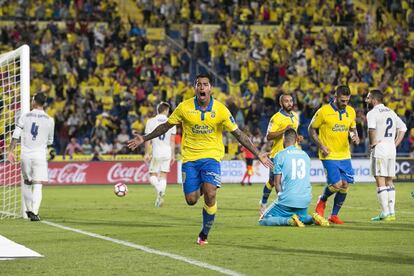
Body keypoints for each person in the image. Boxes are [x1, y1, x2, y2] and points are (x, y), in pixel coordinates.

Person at [128, 73, 273, 245]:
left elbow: (238, 134)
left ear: (210, 88)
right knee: (191, 200)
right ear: (195, 88)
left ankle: (204, 234)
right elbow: (165, 127)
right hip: (190, 159)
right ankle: (202, 185)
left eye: (205, 84)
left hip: (211, 157)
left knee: (210, 194)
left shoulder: (220, 110)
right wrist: (144, 138)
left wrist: (258, 154)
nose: (202, 87)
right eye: (199, 84)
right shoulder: (184, 107)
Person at [308, 85, 360, 224]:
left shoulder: (351, 111)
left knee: (345, 185)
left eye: (347, 100)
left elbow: (352, 128)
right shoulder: (323, 111)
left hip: (345, 154)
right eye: (342, 100)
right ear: (335, 97)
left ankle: (334, 215)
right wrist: (321, 146)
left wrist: (355, 136)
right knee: (337, 184)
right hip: (328, 154)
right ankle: (322, 200)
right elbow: (311, 129)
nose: (345, 103)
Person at [259, 128, 330, 227]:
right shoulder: (305, 155)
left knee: (263, 220)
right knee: (301, 216)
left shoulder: (279, 155)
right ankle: (313, 218)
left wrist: (281, 196)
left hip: (288, 198)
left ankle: (289, 221)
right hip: (305, 199)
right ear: (296, 139)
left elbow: (276, 183)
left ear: (284, 139)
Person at [7, 93, 55, 221]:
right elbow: (50, 141)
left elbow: (16, 134)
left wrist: (10, 151)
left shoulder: (25, 116)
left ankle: (28, 210)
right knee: (38, 183)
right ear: (43, 103)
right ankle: (34, 211)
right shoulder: (50, 120)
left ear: (34, 102)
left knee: (27, 182)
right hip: (39, 155)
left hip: (26, 155)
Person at [365, 90, 407, 221]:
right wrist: (395, 143)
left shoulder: (372, 113)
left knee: (380, 179)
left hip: (380, 149)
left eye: (368, 98)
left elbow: (371, 129)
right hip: (391, 149)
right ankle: (392, 212)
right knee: (389, 180)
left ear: (374, 100)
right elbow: (403, 128)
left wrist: (372, 144)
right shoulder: (391, 111)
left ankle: (386, 213)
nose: (366, 100)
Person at [259, 94, 300, 215]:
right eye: (286, 101)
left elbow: (292, 135)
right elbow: (269, 136)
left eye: (291, 101)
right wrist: (284, 130)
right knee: (272, 182)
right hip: (277, 155)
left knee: (289, 181)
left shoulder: (296, 116)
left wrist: (297, 138)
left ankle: (287, 206)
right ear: (281, 103)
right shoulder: (276, 118)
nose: (289, 103)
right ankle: (263, 203)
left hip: (292, 154)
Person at [144, 101, 176, 207]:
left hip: (156, 151)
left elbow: (147, 140)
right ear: (166, 110)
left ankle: (159, 189)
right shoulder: (171, 122)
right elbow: (172, 141)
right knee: (163, 175)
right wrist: (173, 155)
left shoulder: (150, 121)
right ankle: (159, 196)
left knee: (152, 174)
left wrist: (147, 153)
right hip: (167, 151)